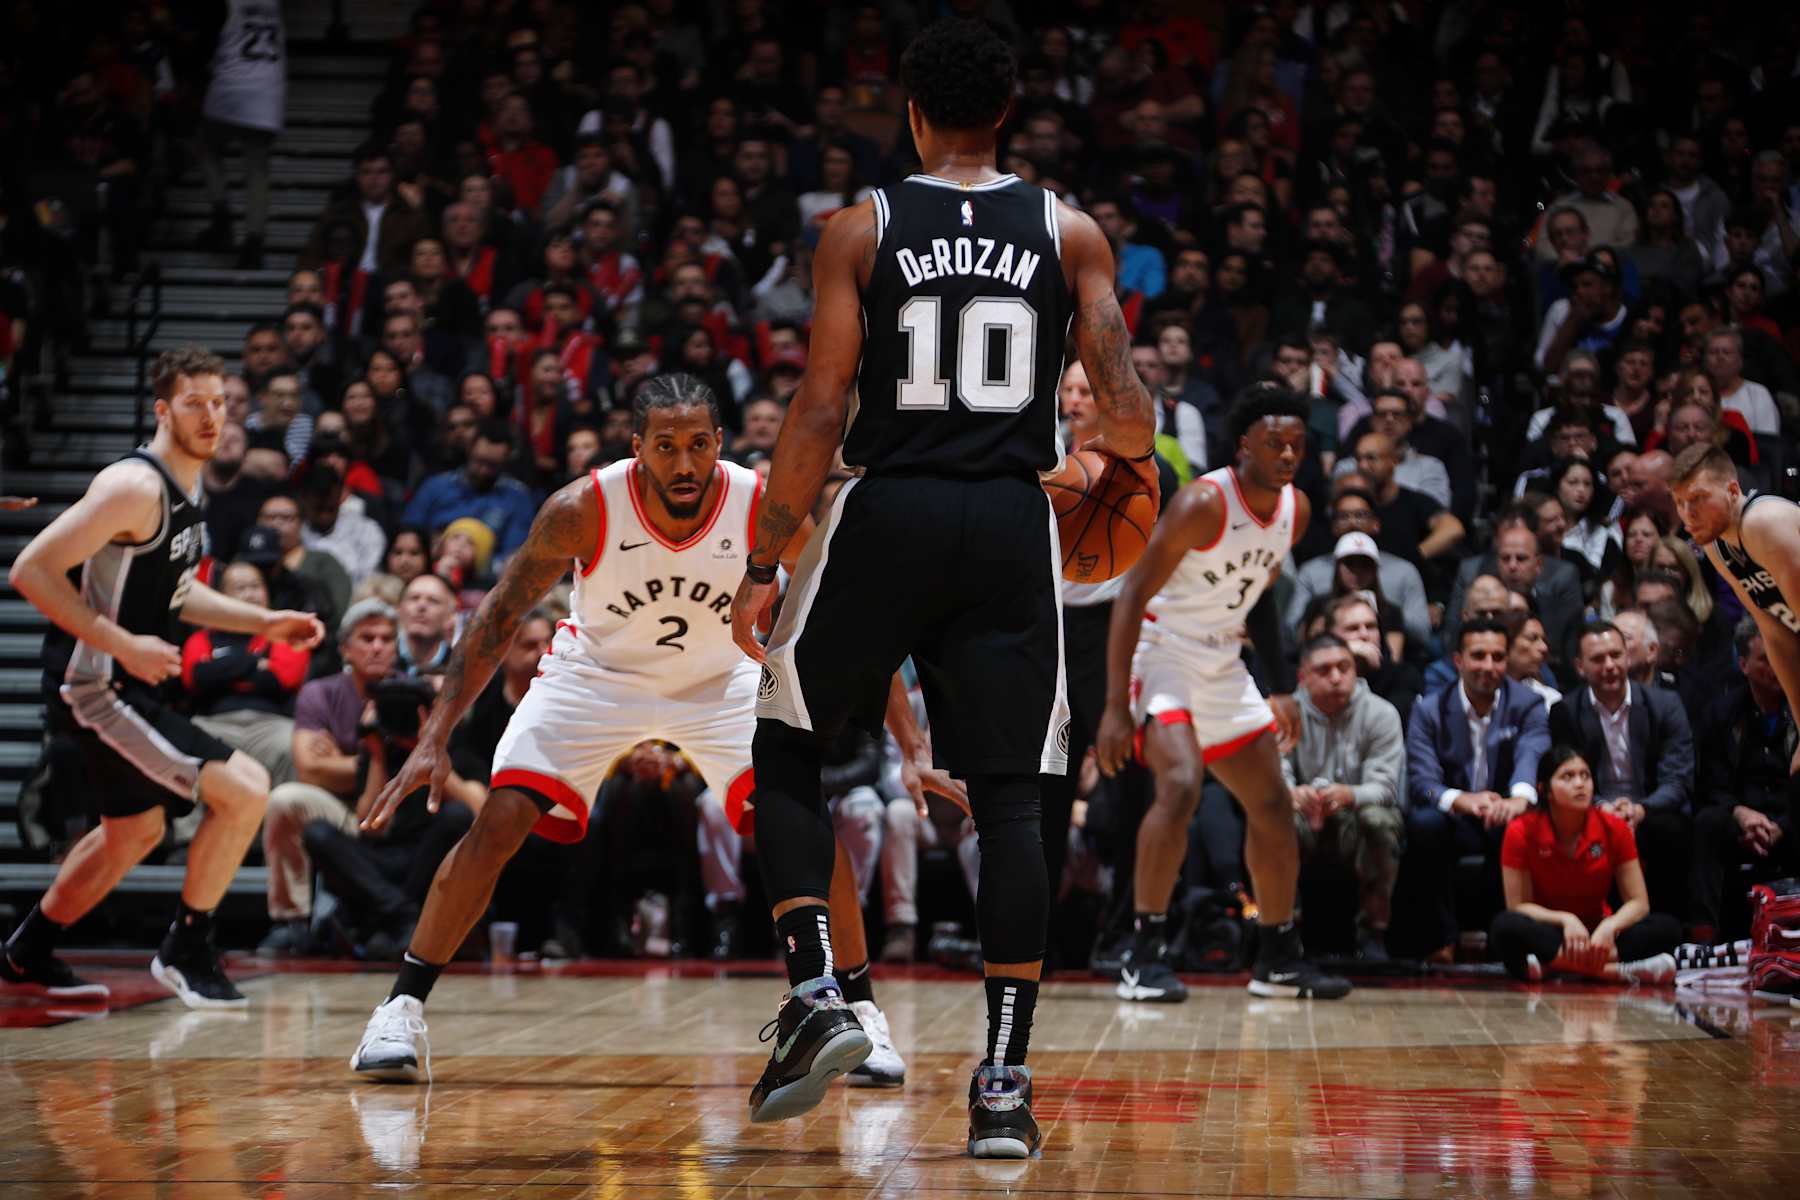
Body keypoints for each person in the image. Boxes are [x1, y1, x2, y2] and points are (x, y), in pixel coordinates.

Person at [725, 19, 1156, 1158]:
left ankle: (820, 993)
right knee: (1015, 802)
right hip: (1013, 523)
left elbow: (819, 410)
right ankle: (1004, 1088)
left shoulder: (859, 229)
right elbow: (1127, 411)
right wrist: (1103, 465)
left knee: (789, 749)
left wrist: (767, 562)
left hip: (887, 508)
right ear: (1007, 112)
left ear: (909, 112)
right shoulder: (1073, 233)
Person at [349, 376, 957, 1095]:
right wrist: (437, 733)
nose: (684, 463)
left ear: (719, 445)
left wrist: (913, 745)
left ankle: (859, 1008)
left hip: (722, 680)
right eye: (666, 446)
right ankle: (399, 1009)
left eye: (698, 444)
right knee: (500, 819)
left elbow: (852, 613)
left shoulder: (759, 505)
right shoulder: (581, 508)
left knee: (803, 825)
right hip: (597, 676)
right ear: (636, 449)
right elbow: (499, 616)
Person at [1, 348, 323, 1005]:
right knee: (245, 786)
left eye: (220, 403)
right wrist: (124, 644)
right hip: (95, 685)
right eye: (194, 403)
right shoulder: (135, 486)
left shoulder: (187, 485)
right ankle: (187, 947)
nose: (211, 417)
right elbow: (31, 570)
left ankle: (26, 950)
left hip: (126, 682)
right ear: (162, 410)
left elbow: (176, 594)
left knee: (136, 831)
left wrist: (266, 622)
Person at [1096, 383, 1347, 1003]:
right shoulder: (1204, 501)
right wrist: (1113, 707)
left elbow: (1258, 595)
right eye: (1274, 443)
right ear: (1244, 445)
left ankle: (1279, 958)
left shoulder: (1298, 510)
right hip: (1164, 652)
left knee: (1271, 802)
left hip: (1223, 657)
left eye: (1297, 443)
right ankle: (1142, 952)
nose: (1288, 454)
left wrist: (1281, 685)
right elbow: (1131, 594)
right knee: (1179, 784)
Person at [1399, 617, 1550, 960]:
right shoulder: (1429, 709)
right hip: (1456, 815)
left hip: (1505, 810)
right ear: (1459, 660)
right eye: (1478, 655)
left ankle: (1508, 942)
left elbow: (1532, 752)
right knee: (1425, 825)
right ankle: (1440, 941)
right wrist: (1463, 801)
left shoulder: (1527, 704)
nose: (1488, 666)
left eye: (1497, 657)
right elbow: (1424, 780)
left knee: (1516, 828)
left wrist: (1520, 797)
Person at [258, 600, 401, 956]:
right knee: (284, 799)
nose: (378, 646)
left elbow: (416, 771)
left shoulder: (411, 693)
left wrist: (339, 760)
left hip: (401, 807)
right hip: (341, 808)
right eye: (367, 638)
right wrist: (373, 762)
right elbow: (309, 768)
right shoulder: (319, 692)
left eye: (387, 638)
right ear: (345, 649)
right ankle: (291, 921)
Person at [1489, 746, 1680, 983]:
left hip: (1599, 935)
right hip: (1552, 932)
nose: (1580, 784)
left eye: (1585, 776)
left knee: (1668, 928)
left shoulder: (1614, 827)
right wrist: (1565, 920)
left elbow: (1639, 903)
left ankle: (1558, 967)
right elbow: (1519, 906)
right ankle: (1613, 972)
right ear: (1544, 789)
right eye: (1567, 777)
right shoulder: (1521, 830)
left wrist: (1610, 927)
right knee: (1504, 927)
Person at [1547, 622, 1696, 917]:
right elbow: (1567, 775)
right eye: (1598, 659)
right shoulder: (1565, 711)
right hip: (1593, 809)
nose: (1610, 665)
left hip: (1651, 809)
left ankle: (1671, 928)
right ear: (1580, 666)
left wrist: (1640, 809)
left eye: (1616, 655)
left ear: (1627, 657)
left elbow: (1678, 779)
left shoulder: (1665, 704)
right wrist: (1602, 807)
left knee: (1672, 828)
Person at [1671, 443, 1800, 777]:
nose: (1688, 514)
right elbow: (1776, 634)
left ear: (1732, 490)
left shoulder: (1763, 522)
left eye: (1698, 498)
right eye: (1680, 503)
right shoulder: (1718, 545)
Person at [1282, 633, 1405, 960]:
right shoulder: (1284, 713)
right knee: (1274, 818)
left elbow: (1387, 788)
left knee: (1379, 819)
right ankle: (1283, 931)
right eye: (1324, 670)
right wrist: (1293, 794)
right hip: (1304, 820)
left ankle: (1373, 933)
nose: (1336, 677)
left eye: (1344, 667)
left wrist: (1351, 794)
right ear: (1303, 677)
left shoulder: (1381, 714)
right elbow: (1273, 779)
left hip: (1354, 820)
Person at [195, 0, 286, 269]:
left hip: (232, 82)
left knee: (204, 146)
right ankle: (254, 244)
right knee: (258, 169)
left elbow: (204, 43)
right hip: (268, 85)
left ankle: (222, 219)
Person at [402, 422, 539, 562]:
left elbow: (514, 552)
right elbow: (409, 533)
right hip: (433, 567)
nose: (483, 471)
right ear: (469, 450)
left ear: (505, 461)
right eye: (479, 461)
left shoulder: (517, 497)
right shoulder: (435, 486)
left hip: (488, 578)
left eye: (493, 465)